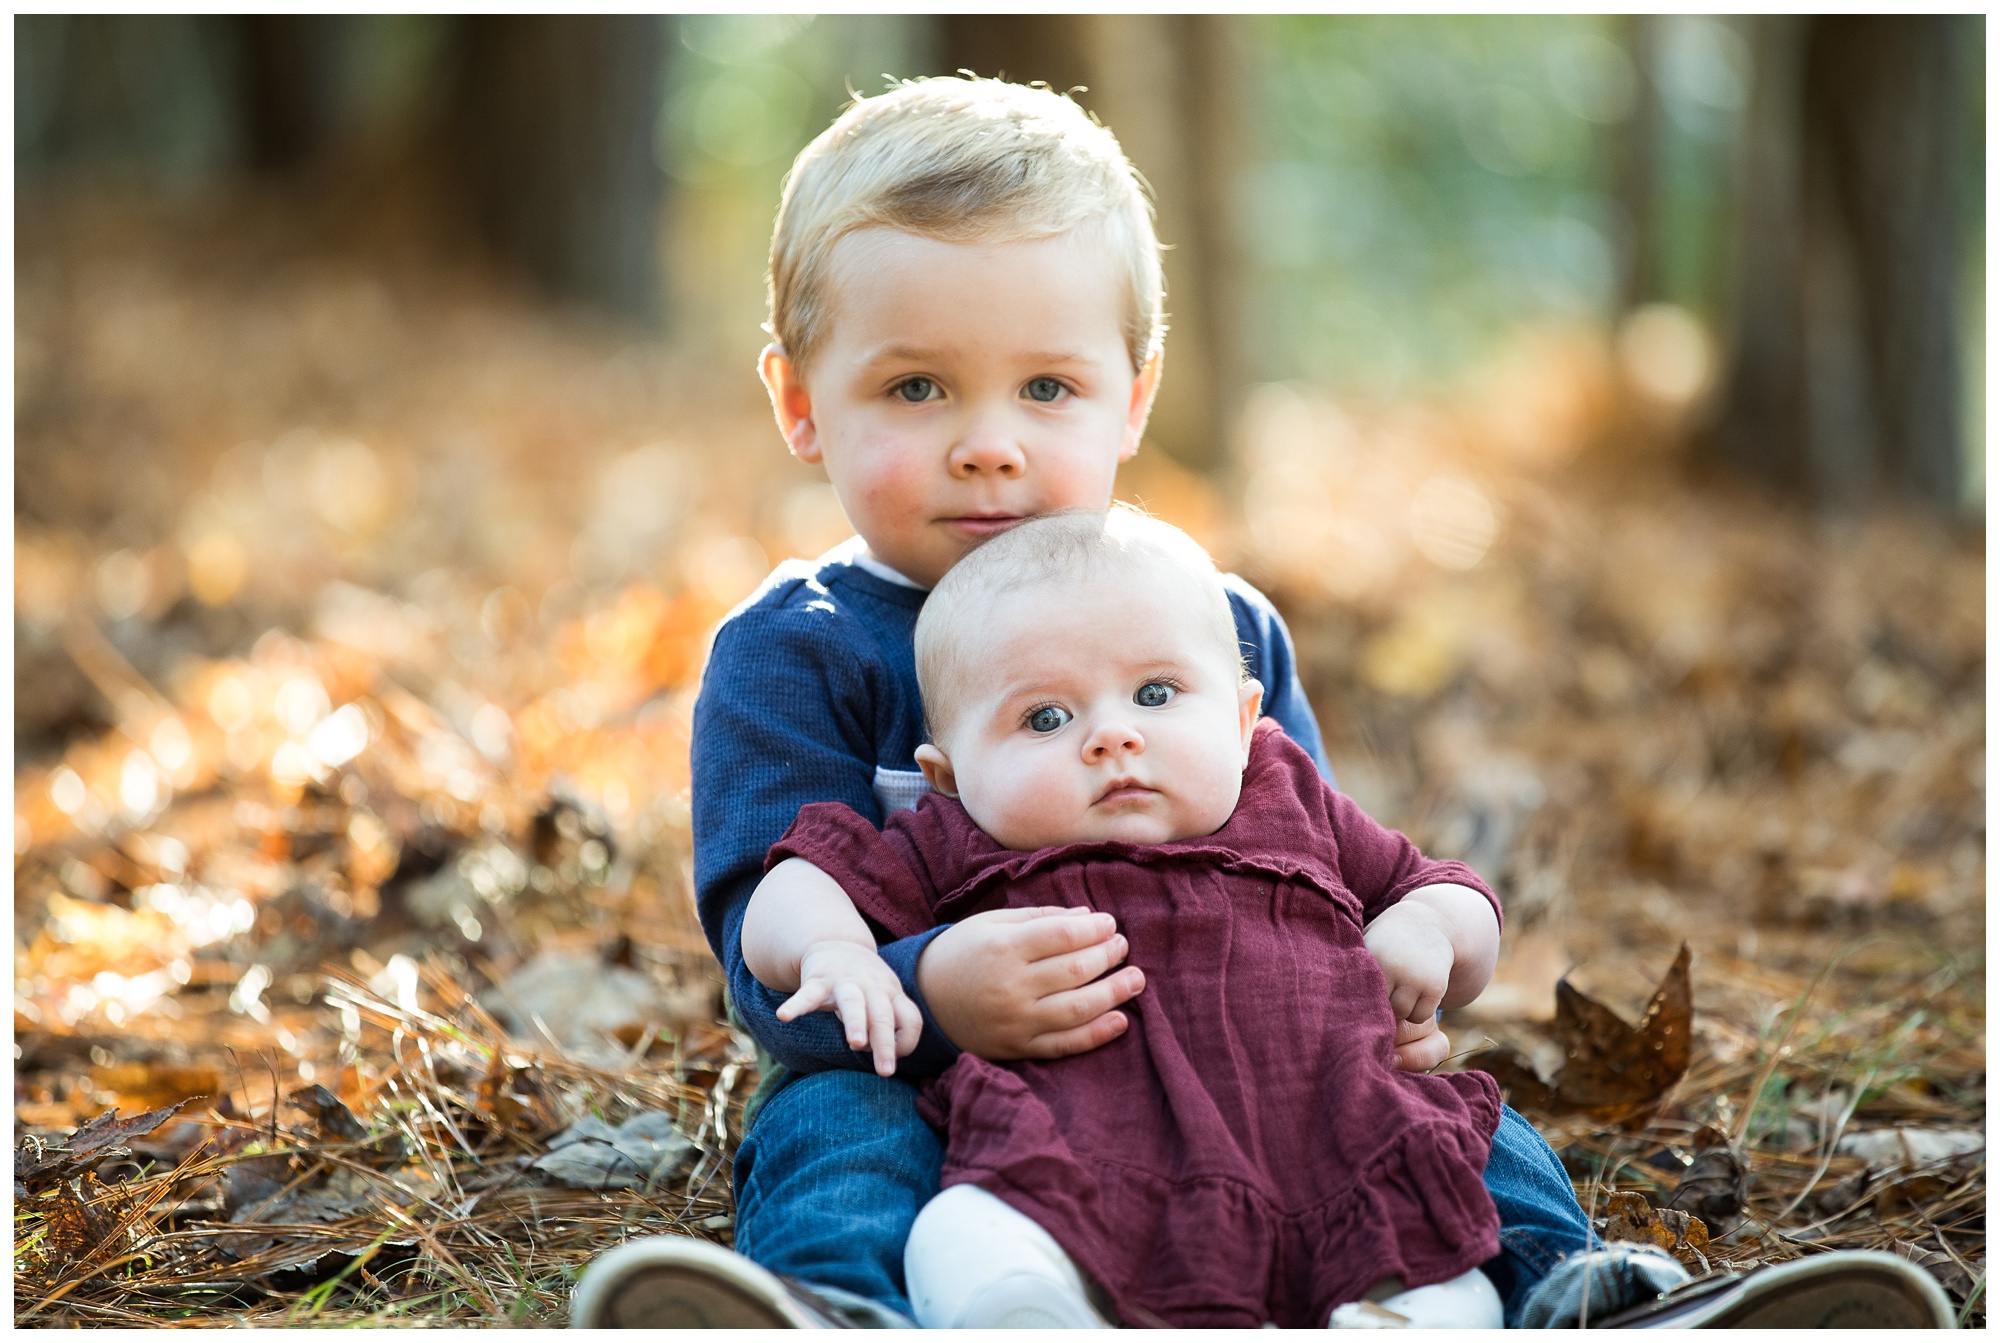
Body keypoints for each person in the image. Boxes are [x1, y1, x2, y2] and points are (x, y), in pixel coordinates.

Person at [571, 75, 1927, 1331]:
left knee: (1435, 1113)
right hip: (938, 1065)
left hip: (1237, 1051)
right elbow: (768, 938)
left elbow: (1303, 865)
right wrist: (923, 984)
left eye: (1048, 387)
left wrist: (1398, 957)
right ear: (803, 403)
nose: (988, 440)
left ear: (1134, 398)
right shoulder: (798, 648)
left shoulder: (1213, 623)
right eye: (915, 387)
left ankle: (1572, 1291)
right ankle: (837, 1304)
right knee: (835, 1117)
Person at [744, 507, 1512, 1328]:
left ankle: (1557, 1296)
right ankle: (1032, 1316)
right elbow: (797, 881)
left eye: (1155, 693)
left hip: (1337, 1153)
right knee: (963, 1235)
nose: (1113, 736)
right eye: (1045, 717)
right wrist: (833, 945)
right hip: (1068, 1173)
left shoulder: (1289, 797)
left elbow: (1451, 891)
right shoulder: (957, 838)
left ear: (1245, 718)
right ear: (949, 774)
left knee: (1451, 1265)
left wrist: (1427, 927)